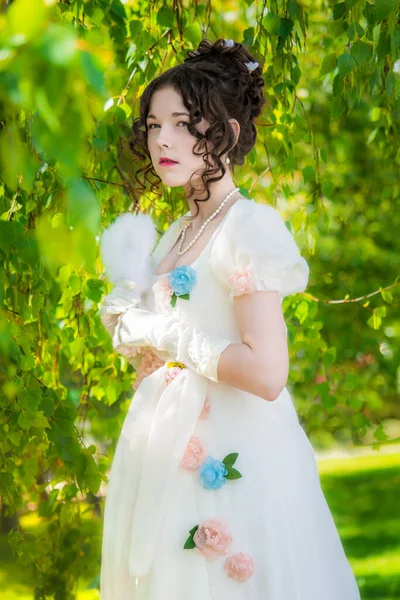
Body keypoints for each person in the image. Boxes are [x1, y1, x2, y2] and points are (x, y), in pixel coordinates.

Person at [99, 38, 361, 600]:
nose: (161, 139)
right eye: (152, 125)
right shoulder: (174, 234)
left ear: (227, 134)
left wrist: (168, 334)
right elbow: (157, 358)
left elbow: (267, 374)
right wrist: (133, 333)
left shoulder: (249, 227)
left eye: (182, 123)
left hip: (240, 457)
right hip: (166, 456)